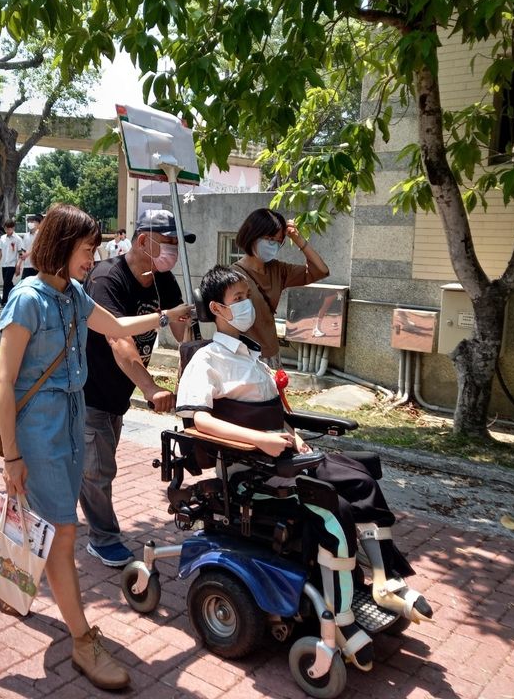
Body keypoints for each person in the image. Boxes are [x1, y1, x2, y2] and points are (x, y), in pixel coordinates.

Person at [177, 265, 433, 671]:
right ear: (216, 309)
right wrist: (258, 440)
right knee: (335, 510)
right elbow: (196, 421)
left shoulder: (252, 355)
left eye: (247, 295)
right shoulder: (207, 360)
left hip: (285, 456)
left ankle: (384, 582)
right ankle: (342, 617)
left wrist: (288, 433)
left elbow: (273, 414)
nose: (247, 304)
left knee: (361, 478)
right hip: (250, 469)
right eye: (238, 297)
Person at [0, 203, 192, 691]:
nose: (95, 257)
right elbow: (2, 382)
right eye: (88, 249)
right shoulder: (28, 300)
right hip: (39, 432)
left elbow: (119, 327)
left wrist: (168, 317)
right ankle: (83, 639)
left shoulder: (73, 295)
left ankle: (5, 576)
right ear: (63, 247)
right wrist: (13, 456)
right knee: (63, 531)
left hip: (71, 421)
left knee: (38, 512)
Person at [80, 209, 192, 567]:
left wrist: (191, 363)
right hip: (89, 390)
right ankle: (103, 538)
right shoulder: (106, 278)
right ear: (144, 240)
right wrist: (150, 388)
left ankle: (51, 510)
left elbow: (181, 332)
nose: (173, 251)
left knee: (90, 462)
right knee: (97, 468)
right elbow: (118, 339)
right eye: (169, 243)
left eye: (177, 244)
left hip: (118, 393)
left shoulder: (164, 280)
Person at [231, 208, 329, 367]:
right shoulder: (232, 275)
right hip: (244, 358)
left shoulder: (278, 270)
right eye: (269, 238)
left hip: (272, 354)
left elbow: (321, 271)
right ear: (252, 235)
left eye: (278, 241)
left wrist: (297, 239)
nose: (273, 245)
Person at [0, 219, 22, 296]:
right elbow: (0, 252)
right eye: (5, 229)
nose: (7, 230)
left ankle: (4, 301)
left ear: (13, 228)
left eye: (9, 229)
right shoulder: (2, 238)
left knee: (6, 282)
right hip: (4, 264)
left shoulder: (17, 239)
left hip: (12, 264)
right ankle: (16, 293)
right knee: (8, 283)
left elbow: (20, 253)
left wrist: (18, 266)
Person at [19, 213, 42, 279]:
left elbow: (37, 247)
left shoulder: (40, 235)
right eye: (28, 222)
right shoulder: (26, 235)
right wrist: (19, 262)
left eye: (32, 222)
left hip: (37, 265)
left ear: (38, 223)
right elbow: (22, 249)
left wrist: (27, 254)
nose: (30, 223)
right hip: (27, 265)